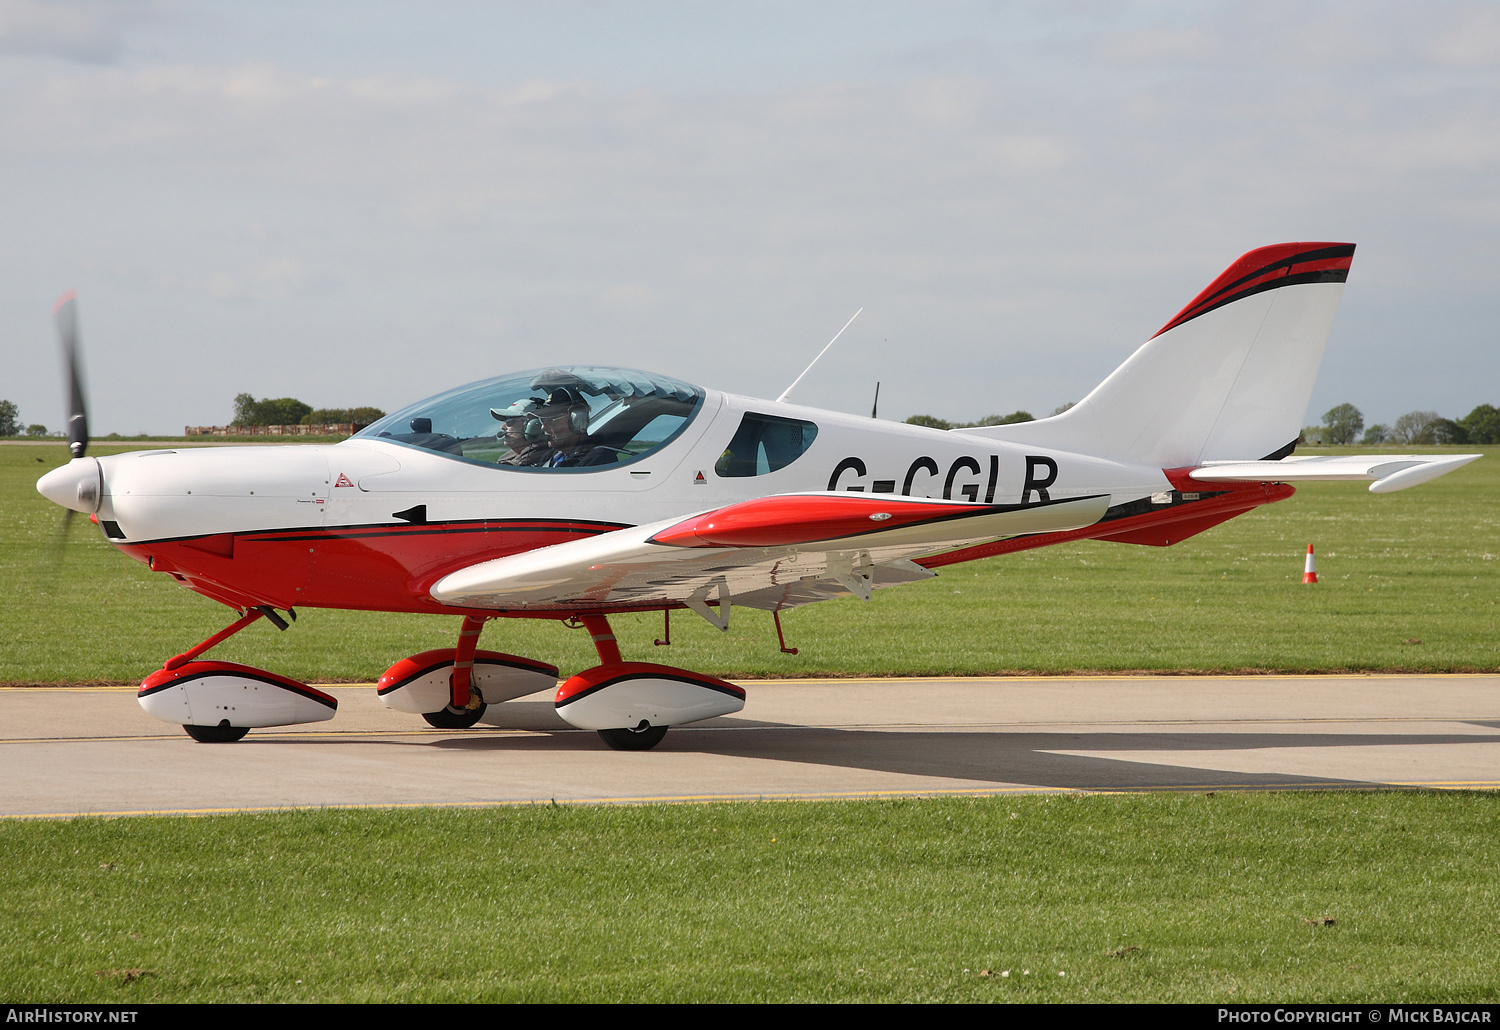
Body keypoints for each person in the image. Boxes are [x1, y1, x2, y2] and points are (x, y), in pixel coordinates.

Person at [535, 387, 616, 467]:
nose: (543, 427)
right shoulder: (551, 458)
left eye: (551, 420)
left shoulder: (598, 460)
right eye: (543, 420)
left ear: (577, 421)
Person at [490, 398, 551, 466]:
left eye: (509, 421)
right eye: (504, 421)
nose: (502, 427)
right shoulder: (506, 459)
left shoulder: (542, 458)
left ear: (532, 425)